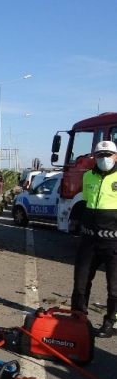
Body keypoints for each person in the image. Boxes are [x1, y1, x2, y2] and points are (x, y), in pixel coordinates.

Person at [71, 140, 117, 338]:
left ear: (116, 156)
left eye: (108, 155)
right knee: (80, 282)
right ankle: (78, 319)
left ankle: (110, 322)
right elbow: (86, 202)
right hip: (89, 240)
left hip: (113, 242)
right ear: (94, 157)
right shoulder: (88, 175)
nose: (104, 159)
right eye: (100, 155)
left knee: (114, 287)